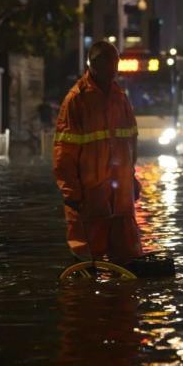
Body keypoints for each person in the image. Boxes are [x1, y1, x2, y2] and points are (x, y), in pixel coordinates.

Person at [53, 41, 143, 264]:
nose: (112, 69)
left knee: (128, 263)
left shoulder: (119, 98)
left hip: (120, 196)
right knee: (86, 261)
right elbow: (64, 153)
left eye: (114, 64)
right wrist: (71, 193)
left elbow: (130, 142)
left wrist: (131, 179)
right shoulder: (77, 100)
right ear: (92, 65)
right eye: (107, 64)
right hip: (89, 197)